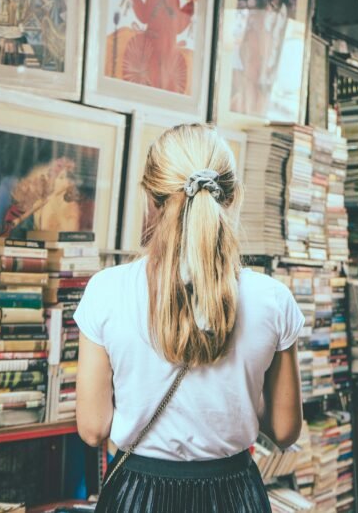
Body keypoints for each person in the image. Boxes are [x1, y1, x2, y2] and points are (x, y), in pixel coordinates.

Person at [74, 123, 304, 512]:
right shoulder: (273, 299)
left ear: (151, 198)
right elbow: (284, 430)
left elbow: (93, 427)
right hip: (233, 496)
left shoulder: (106, 290)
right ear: (230, 199)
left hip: (137, 495)